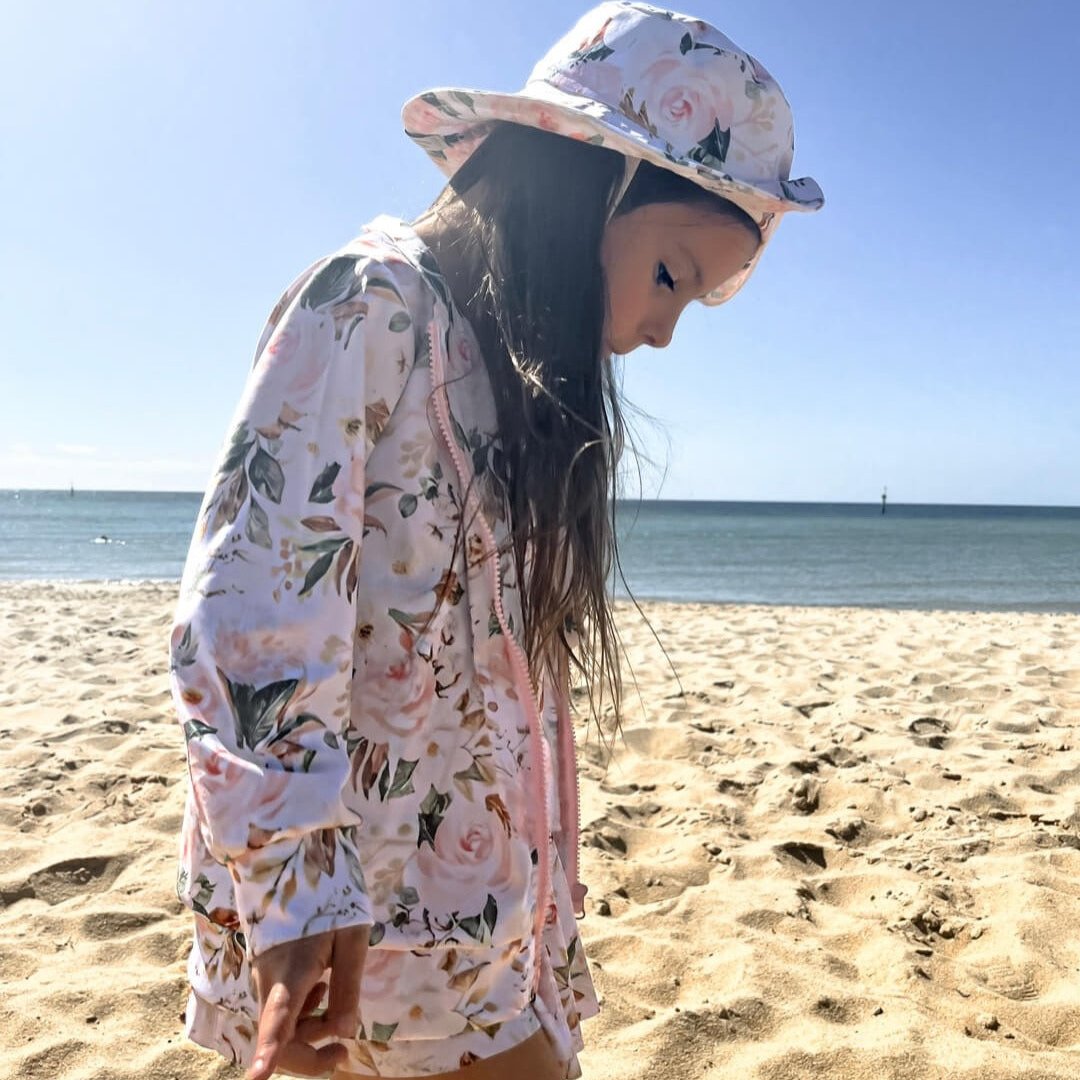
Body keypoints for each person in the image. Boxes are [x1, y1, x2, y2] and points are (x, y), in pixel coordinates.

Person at [168, 3, 823, 1078]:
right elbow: (252, 604)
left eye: (692, 305)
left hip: (482, 911)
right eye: (669, 276)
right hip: (359, 916)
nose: (662, 332)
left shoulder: (512, 378)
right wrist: (290, 873)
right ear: (587, 186)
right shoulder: (373, 306)